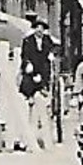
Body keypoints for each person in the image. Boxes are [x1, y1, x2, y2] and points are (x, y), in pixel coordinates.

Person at [18, 18, 55, 150]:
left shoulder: (47, 40)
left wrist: (51, 55)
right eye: (37, 28)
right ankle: (26, 140)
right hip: (31, 73)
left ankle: (45, 139)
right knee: (29, 108)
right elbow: (24, 56)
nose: (39, 31)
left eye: (42, 29)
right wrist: (28, 65)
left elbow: (50, 55)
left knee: (42, 110)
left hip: (43, 73)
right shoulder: (28, 41)